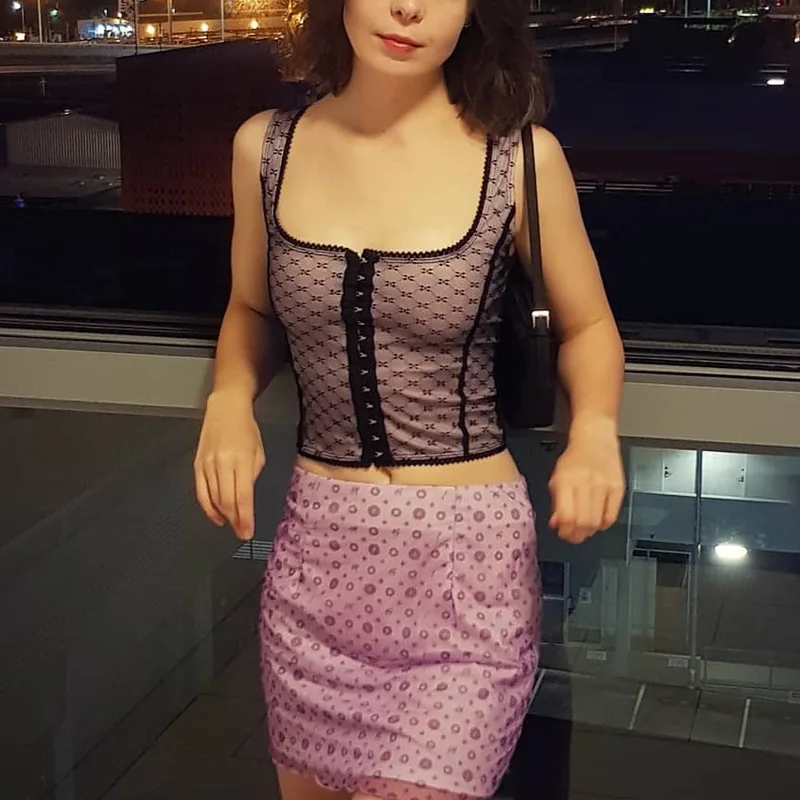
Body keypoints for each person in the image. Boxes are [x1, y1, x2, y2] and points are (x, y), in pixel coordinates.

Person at [194, 2, 626, 799]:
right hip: (316, 561)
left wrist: (594, 430)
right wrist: (228, 398)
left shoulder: (520, 160)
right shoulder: (265, 147)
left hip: (465, 572)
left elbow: (589, 325)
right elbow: (251, 308)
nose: (408, 8)